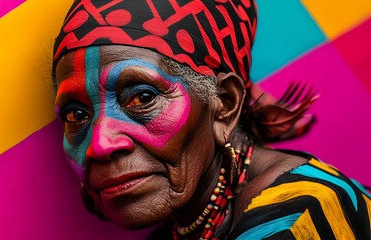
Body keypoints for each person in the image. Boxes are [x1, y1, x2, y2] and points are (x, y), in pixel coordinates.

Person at [52, 0, 371, 239]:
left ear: (225, 105)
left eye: (144, 97)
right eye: (76, 115)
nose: (100, 144)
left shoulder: (298, 213)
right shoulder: (183, 227)